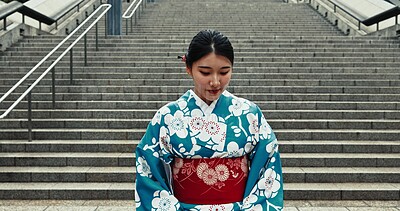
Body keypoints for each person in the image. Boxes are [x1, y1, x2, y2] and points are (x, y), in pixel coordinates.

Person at [135, 29, 284, 210]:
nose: (215, 81)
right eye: (205, 72)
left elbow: (269, 163)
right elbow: (148, 169)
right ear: (188, 68)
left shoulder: (249, 114)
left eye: (224, 72)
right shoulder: (167, 116)